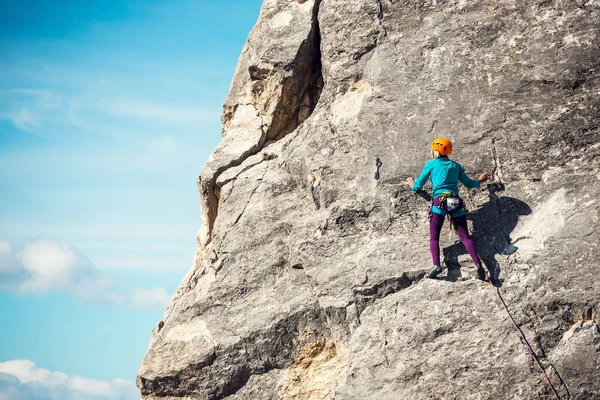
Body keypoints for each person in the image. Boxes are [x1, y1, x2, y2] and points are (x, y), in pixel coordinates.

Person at [406, 138, 490, 280]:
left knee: (434, 237)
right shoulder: (455, 166)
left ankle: (436, 266)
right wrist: (480, 181)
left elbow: (418, 186)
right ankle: (478, 265)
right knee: (465, 237)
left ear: (436, 150)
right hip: (454, 201)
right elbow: (469, 184)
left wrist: (412, 184)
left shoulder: (431, 164)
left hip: (439, 201)